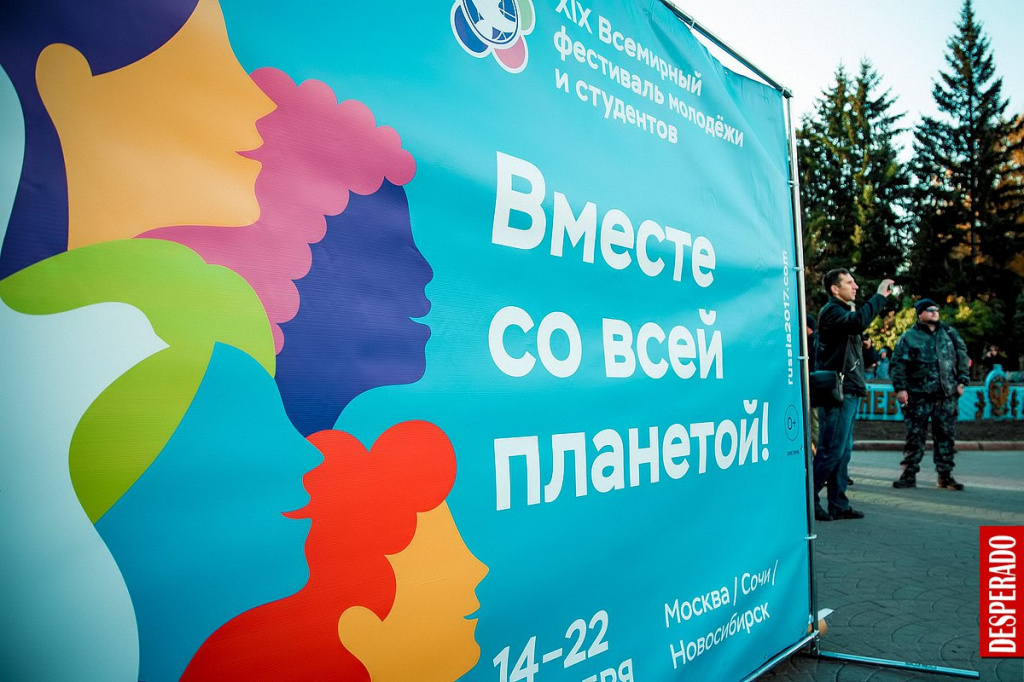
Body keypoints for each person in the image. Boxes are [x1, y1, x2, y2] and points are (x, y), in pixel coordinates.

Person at [813, 269, 893, 521]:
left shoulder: (844, 314)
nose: (855, 286)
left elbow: (856, 350)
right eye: (849, 282)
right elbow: (858, 322)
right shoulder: (832, 312)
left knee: (843, 451)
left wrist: (866, 347)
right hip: (838, 392)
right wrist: (879, 296)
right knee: (831, 450)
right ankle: (807, 500)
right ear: (835, 289)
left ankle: (838, 503)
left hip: (850, 389)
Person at [890, 299, 970, 491]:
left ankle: (945, 476)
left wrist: (962, 382)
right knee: (915, 436)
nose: (934, 312)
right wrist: (901, 388)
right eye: (929, 310)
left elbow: (962, 356)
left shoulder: (949, 333)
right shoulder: (909, 337)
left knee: (946, 436)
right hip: (919, 396)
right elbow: (899, 364)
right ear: (920, 314)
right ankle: (909, 474)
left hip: (946, 395)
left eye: (936, 309)